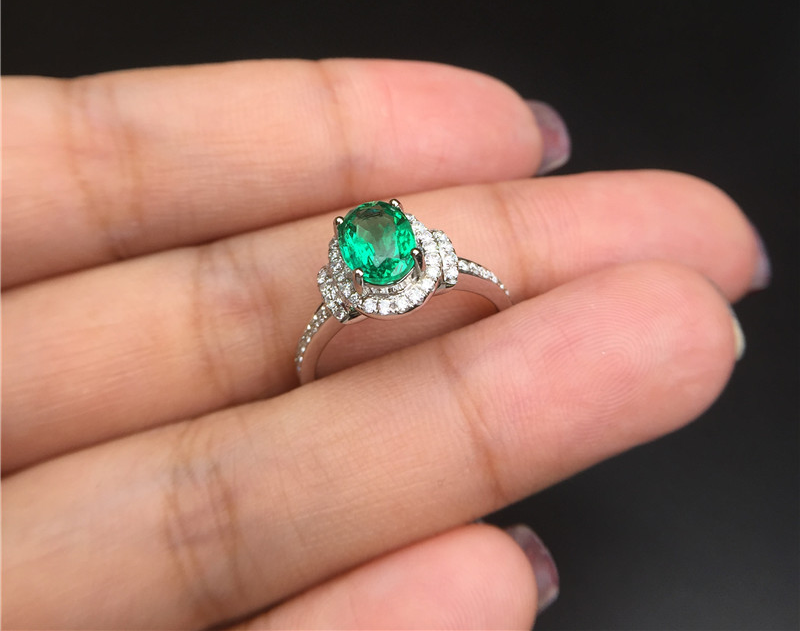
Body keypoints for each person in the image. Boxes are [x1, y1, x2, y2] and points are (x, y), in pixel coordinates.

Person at [1, 58, 768, 630]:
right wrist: (316, 358)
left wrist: (485, 297)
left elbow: (460, 280)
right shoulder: (352, 275)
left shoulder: (410, 250)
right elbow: (332, 321)